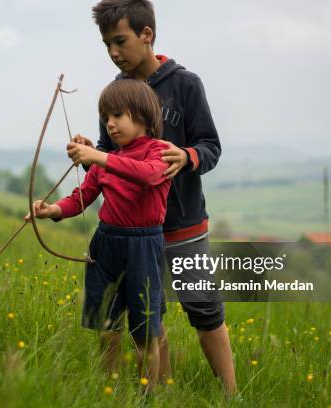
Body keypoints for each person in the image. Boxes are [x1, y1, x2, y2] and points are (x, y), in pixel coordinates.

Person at [71, 0, 237, 395]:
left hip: (184, 224)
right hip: (132, 233)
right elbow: (107, 159)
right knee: (149, 316)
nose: (113, 52)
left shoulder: (185, 85)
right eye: (106, 44)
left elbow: (210, 146)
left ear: (147, 35)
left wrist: (189, 156)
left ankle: (233, 397)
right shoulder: (114, 93)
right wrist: (86, 153)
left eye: (120, 41)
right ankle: (158, 396)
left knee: (205, 311)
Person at [27, 79, 171, 390]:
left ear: (143, 114)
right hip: (106, 245)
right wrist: (52, 210)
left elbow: (149, 175)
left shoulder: (159, 151)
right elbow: (83, 195)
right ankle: (111, 390)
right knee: (107, 327)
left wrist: (98, 156)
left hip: (143, 248)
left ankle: (148, 395)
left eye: (118, 115)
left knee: (145, 332)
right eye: (106, 117)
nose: (110, 123)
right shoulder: (107, 158)